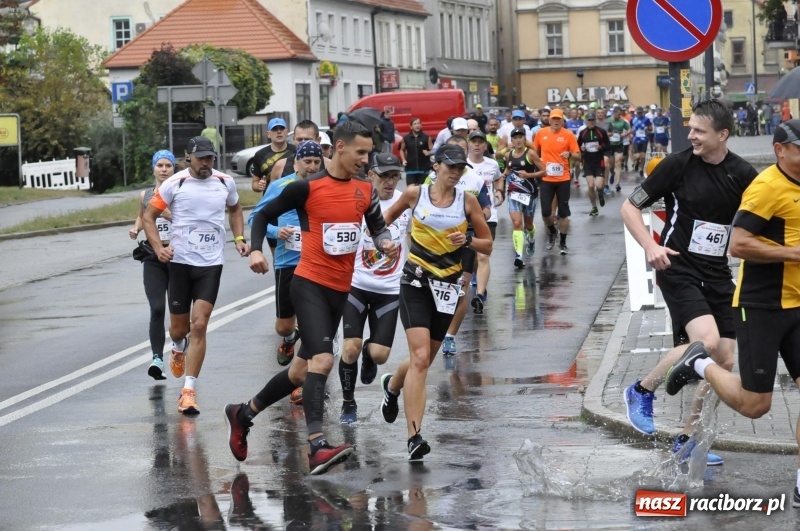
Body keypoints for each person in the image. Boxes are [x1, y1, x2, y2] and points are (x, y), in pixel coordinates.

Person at [223, 120, 398, 475]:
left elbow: (377, 226)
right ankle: (317, 445)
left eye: (368, 153)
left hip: (339, 290)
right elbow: (261, 215)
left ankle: (242, 414)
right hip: (308, 283)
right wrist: (256, 250)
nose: (365, 160)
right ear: (339, 147)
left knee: (300, 371)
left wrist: (385, 243)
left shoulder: (365, 190)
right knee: (322, 361)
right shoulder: (306, 188)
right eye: (360, 152)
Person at [664, 120, 800, 500]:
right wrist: (794, 254)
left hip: (799, 303)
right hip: (762, 305)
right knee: (755, 406)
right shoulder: (766, 188)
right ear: (781, 150)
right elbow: (738, 245)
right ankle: (698, 364)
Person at [620, 99, 758, 465]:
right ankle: (640, 389)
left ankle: (688, 439)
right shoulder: (677, 165)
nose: (691, 136)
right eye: (691, 129)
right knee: (707, 342)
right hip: (677, 266)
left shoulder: (743, 174)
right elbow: (629, 207)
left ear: (722, 135)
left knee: (725, 361)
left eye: (699, 131)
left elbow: (762, 217)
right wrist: (650, 245)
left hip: (717, 274)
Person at [379, 143, 493, 460]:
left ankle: (392, 386)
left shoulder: (467, 201)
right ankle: (414, 436)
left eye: (459, 169)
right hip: (414, 280)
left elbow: (488, 244)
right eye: (450, 167)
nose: (455, 173)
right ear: (436, 166)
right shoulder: (415, 195)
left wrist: (468, 239)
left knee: (424, 361)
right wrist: (385, 241)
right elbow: (385, 218)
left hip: (447, 288)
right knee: (418, 358)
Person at [143, 137, 250, 414]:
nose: (206, 163)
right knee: (179, 329)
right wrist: (158, 248)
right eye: (201, 158)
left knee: (199, 325)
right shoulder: (173, 184)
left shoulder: (225, 182)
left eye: (210, 158)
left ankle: (188, 391)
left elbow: (236, 208)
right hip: (179, 263)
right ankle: (178, 346)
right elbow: (149, 216)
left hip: (211, 264)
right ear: (188, 157)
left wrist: (239, 237)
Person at [338, 153, 411, 424]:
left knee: (379, 355)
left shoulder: (405, 202)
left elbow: (415, 235)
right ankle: (348, 403)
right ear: (371, 175)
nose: (390, 182)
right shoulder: (357, 199)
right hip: (356, 284)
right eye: (384, 176)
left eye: (394, 176)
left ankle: (370, 356)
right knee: (350, 348)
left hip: (389, 288)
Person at [249, 141, 324, 367]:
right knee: (284, 326)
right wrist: (275, 230)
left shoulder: (324, 186)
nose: (311, 166)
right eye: (307, 161)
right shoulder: (282, 185)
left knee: (313, 324)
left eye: (316, 162)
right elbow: (255, 217)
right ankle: (290, 338)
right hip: (287, 262)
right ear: (296, 161)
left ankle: (303, 381)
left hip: (316, 263)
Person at [130, 149, 176, 380]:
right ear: (154, 169)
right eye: (160, 166)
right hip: (153, 256)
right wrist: (136, 228)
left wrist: (171, 215)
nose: (164, 170)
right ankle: (157, 358)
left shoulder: (181, 192)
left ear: (174, 168)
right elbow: (142, 215)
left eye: (168, 165)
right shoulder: (145, 194)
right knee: (157, 308)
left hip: (178, 256)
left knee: (179, 310)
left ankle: (178, 348)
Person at [533, 107, 581, 254]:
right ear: (549, 120)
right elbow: (534, 152)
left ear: (562, 120)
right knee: (546, 212)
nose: (555, 121)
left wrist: (570, 154)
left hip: (563, 179)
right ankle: (552, 231)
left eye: (558, 119)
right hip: (547, 178)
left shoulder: (568, 135)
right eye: (553, 119)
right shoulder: (541, 133)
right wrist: (537, 163)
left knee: (563, 213)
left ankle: (563, 243)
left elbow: (578, 156)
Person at [467, 130, 503, 312]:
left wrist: (499, 191)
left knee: (483, 254)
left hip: (489, 216)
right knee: (472, 257)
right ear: (469, 144)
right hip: (467, 217)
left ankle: (480, 294)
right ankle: (476, 275)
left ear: (485, 145)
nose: (477, 145)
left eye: (481, 142)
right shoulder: (461, 165)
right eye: (474, 142)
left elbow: (498, 179)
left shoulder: (492, 164)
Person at [503, 127, 545, 268]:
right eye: (515, 138)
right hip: (513, 193)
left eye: (521, 137)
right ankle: (519, 256)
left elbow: (544, 171)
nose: (518, 140)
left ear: (524, 139)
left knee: (528, 225)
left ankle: (531, 238)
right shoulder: (509, 155)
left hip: (529, 193)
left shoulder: (531, 154)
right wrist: (502, 176)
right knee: (516, 223)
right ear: (512, 141)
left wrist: (529, 175)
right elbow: (508, 169)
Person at [577, 112, 611, 216]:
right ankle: (594, 207)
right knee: (591, 186)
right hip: (588, 163)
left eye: (593, 120)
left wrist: (601, 147)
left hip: (599, 163)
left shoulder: (601, 132)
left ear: (595, 121)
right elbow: (576, 146)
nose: (591, 122)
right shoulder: (582, 133)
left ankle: (600, 193)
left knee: (599, 186)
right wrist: (581, 149)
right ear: (586, 121)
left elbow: (608, 145)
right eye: (589, 120)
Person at [251, 117, 295, 194]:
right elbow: (255, 182)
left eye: (281, 128)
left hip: (293, 198)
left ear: (287, 132)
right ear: (268, 134)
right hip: (271, 200)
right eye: (274, 129)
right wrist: (259, 186)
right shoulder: (260, 155)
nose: (279, 132)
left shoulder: (296, 151)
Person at [400, 118, 433, 186]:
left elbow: (433, 150)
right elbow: (401, 150)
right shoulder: (406, 138)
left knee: (422, 190)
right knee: (411, 190)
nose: (417, 125)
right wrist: (403, 160)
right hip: (410, 168)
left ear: (421, 125)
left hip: (424, 169)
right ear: (411, 127)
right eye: (415, 124)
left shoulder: (426, 137)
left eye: (418, 123)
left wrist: (429, 153)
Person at [607, 106, 630, 192]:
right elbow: (603, 131)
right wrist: (608, 134)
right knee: (611, 165)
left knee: (618, 163)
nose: (620, 116)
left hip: (619, 145)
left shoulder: (622, 122)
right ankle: (612, 174)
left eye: (621, 114)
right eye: (618, 114)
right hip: (610, 145)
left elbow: (630, 129)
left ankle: (617, 184)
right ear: (614, 113)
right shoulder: (608, 121)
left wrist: (626, 133)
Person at [631, 106, 653, 178]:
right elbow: (630, 128)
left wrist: (648, 128)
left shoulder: (646, 119)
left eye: (640, 113)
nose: (639, 114)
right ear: (636, 113)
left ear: (642, 112)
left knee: (643, 155)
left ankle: (641, 169)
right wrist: (632, 130)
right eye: (638, 113)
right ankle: (637, 162)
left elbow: (651, 128)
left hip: (644, 139)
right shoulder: (633, 119)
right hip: (636, 139)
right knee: (637, 156)